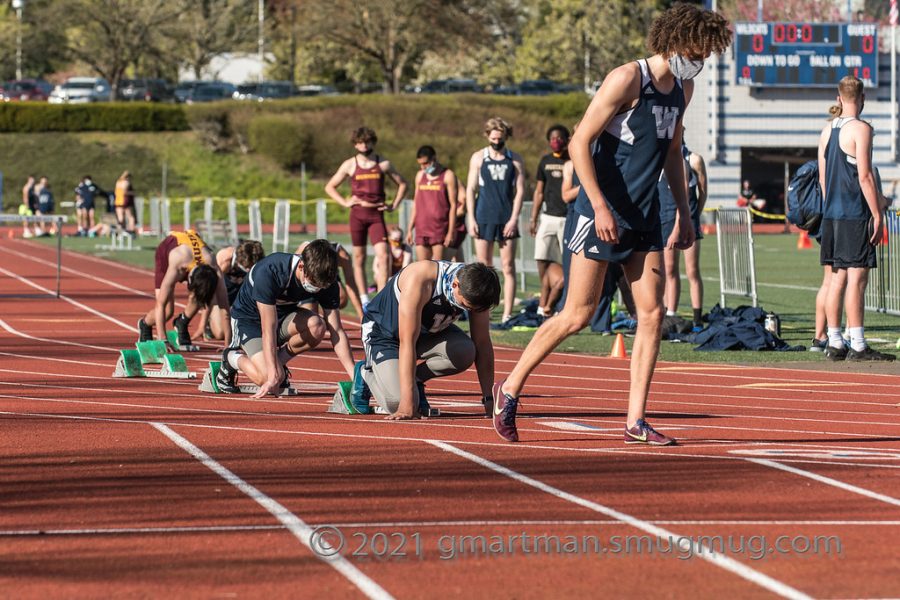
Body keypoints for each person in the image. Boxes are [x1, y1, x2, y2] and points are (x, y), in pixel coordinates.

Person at [491, 3, 732, 444]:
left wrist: (683, 213)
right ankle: (508, 389)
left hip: (644, 215)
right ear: (676, 40)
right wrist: (599, 206)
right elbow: (581, 142)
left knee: (653, 313)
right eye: (699, 50)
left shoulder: (684, 89)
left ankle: (635, 420)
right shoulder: (627, 79)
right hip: (599, 211)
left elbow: (673, 154)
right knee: (577, 314)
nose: (702, 60)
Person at [353, 260, 501, 419]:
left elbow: (482, 343)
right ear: (455, 285)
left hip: (426, 333)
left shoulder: (476, 288)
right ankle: (365, 373)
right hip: (385, 335)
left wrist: (489, 399)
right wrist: (407, 404)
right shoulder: (420, 279)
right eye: (467, 305)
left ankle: (415, 380)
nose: (470, 311)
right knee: (397, 402)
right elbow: (407, 341)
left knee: (465, 351)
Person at [217, 240, 357, 398]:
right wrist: (273, 376)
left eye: (321, 286)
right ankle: (231, 358)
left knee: (317, 326)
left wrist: (355, 378)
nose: (317, 288)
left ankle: (278, 364)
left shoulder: (326, 281)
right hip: (250, 320)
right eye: (314, 283)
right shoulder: (271, 271)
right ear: (301, 267)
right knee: (266, 377)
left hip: (282, 316)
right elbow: (268, 328)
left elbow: (336, 330)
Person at [817, 75, 894, 362]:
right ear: (862, 99)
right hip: (853, 213)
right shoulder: (861, 129)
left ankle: (835, 341)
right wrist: (877, 212)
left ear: (839, 98)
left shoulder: (827, 130)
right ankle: (858, 344)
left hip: (832, 214)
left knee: (836, 279)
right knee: (857, 278)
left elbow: (823, 178)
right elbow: (864, 175)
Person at [324, 127, 408, 305]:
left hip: (376, 216)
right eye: (360, 142)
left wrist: (393, 205)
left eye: (367, 142)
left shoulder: (382, 163)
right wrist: (345, 202)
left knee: (384, 255)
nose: (364, 146)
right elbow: (330, 187)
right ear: (355, 144)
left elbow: (403, 184)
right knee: (359, 257)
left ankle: (383, 298)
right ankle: (364, 299)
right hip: (358, 215)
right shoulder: (350, 164)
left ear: (373, 142)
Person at [466, 117, 526, 323]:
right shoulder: (478, 157)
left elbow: (520, 191)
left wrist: (513, 219)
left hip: (506, 218)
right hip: (483, 216)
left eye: (500, 138)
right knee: (483, 267)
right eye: (493, 138)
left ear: (506, 137)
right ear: (487, 137)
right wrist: (471, 218)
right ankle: (484, 311)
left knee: (508, 266)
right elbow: (471, 189)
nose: (496, 142)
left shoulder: (515, 159)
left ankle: (507, 313)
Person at [138, 229, 231, 349]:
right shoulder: (177, 265)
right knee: (167, 311)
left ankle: (182, 322)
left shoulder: (213, 266)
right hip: (167, 252)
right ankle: (145, 324)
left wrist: (228, 345)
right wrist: (163, 340)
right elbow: (160, 304)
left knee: (202, 295)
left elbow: (225, 308)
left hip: (192, 255)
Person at [660, 143, 707, 331]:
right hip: (666, 218)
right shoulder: (660, 156)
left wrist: (694, 216)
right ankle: (669, 313)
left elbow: (702, 190)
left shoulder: (692, 159)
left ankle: (697, 318)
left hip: (687, 220)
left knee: (692, 271)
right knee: (669, 270)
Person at [530, 125, 570, 317]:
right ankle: (544, 300)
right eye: (553, 138)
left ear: (567, 139)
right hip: (547, 217)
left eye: (560, 138)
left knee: (567, 262)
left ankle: (561, 300)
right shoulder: (545, 161)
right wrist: (533, 218)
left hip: (566, 218)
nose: (556, 141)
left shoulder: (572, 160)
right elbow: (539, 192)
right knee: (542, 258)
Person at [194, 240, 266, 341]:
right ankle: (210, 323)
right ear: (240, 261)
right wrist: (202, 324)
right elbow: (210, 292)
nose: (249, 270)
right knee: (220, 334)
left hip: (240, 298)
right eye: (247, 268)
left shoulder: (259, 263)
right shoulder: (224, 260)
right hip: (220, 297)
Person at [407, 145, 458, 261]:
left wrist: (450, 232)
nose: (423, 167)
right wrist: (410, 229)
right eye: (420, 164)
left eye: (425, 163)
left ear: (434, 158)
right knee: (423, 268)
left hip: (439, 230)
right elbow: (416, 203)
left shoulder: (448, 175)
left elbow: (453, 205)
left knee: (438, 269)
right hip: (421, 229)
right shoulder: (420, 175)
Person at [295, 239, 365, 319]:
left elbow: (350, 283)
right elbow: (294, 275)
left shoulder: (343, 256)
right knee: (311, 318)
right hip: (308, 281)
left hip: (326, 282)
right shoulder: (305, 249)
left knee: (341, 298)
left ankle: (327, 315)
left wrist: (362, 316)